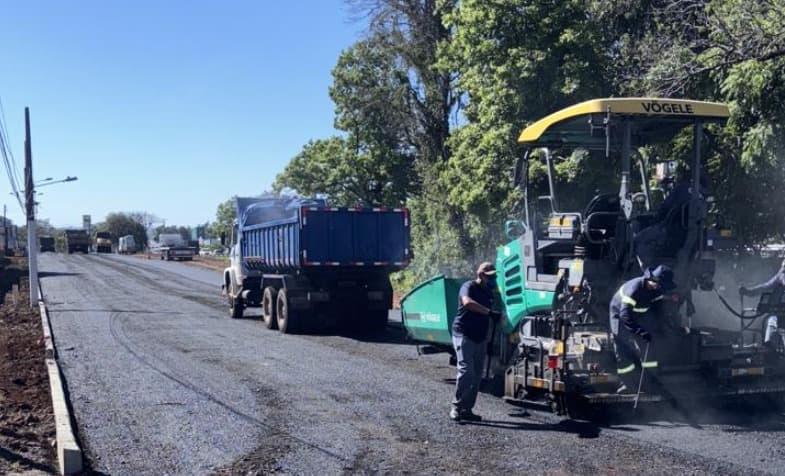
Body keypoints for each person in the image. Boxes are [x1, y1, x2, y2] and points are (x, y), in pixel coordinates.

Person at [609, 265, 676, 393]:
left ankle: (651, 383)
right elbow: (625, 316)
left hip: (639, 315)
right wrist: (641, 331)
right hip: (620, 317)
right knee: (624, 352)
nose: (661, 288)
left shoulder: (656, 289)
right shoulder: (634, 290)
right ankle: (627, 384)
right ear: (652, 280)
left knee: (648, 349)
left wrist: (657, 326)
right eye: (660, 285)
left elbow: (657, 307)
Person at [449, 261, 502, 422]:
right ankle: (456, 407)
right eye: (490, 276)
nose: (493, 278)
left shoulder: (490, 292)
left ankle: (467, 409)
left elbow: (493, 318)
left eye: (495, 276)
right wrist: (489, 312)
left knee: (477, 375)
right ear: (481, 275)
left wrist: (492, 341)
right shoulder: (469, 286)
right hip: (464, 334)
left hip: (480, 336)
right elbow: (467, 303)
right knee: (467, 371)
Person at [740, 259, 785, 351]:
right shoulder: (781, 275)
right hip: (779, 312)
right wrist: (748, 291)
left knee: (773, 320)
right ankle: (770, 343)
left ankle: (770, 343)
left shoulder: (781, 275)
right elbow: (765, 287)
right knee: (773, 320)